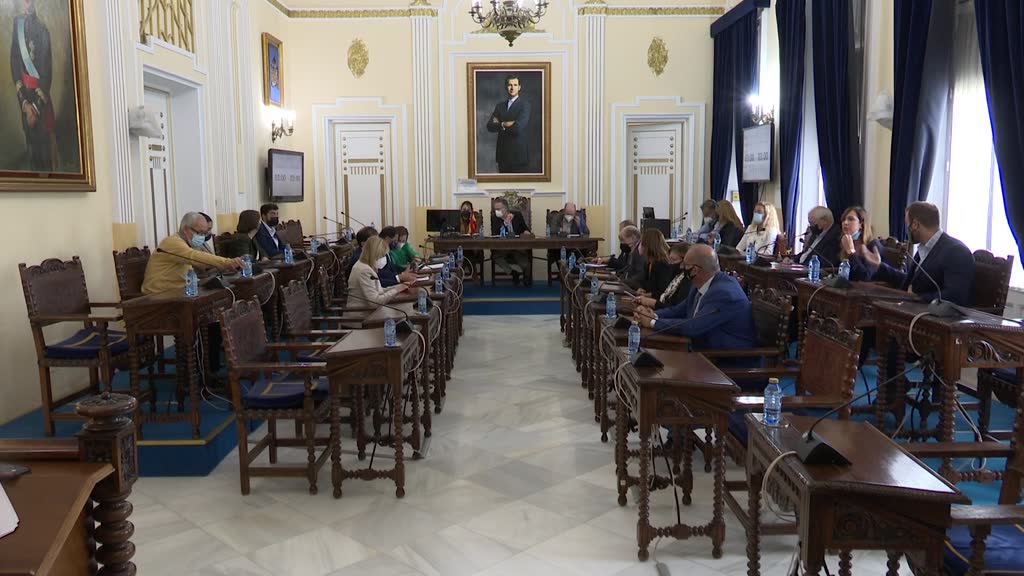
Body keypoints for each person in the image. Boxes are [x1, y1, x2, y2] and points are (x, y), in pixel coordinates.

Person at [633, 244, 758, 370]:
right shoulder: (700, 284)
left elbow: (694, 326)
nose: (681, 268)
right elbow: (678, 310)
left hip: (729, 362)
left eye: (685, 265)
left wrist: (653, 322)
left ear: (695, 270)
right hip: (703, 352)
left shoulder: (724, 293)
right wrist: (652, 314)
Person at [862, 201, 975, 305]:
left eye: (907, 225)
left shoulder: (956, 251)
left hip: (934, 316)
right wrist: (879, 266)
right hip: (913, 311)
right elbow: (912, 283)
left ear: (915, 224)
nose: (907, 230)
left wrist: (918, 298)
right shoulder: (923, 247)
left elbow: (955, 296)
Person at [142, 212, 243, 295]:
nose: (202, 237)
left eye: (204, 233)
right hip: (157, 295)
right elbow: (195, 257)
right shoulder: (172, 242)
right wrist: (227, 262)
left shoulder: (187, 243)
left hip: (178, 290)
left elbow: (200, 264)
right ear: (186, 229)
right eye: (199, 233)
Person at [11, 0, 56, 172]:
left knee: (44, 152)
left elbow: (47, 73)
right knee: (31, 150)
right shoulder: (17, 24)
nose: (26, 2)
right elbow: (15, 62)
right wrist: (24, 102)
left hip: (39, 100)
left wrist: (35, 108)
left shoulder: (43, 30)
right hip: (25, 99)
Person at [486, 74, 532, 173]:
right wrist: (504, 124)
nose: (512, 88)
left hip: (518, 155)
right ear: (506, 87)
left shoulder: (525, 105)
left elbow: (517, 128)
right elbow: (489, 126)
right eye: (510, 85)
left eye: (515, 85)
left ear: (519, 87)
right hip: (503, 155)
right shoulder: (500, 106)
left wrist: (499, 124)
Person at [348, 237, 410, 305]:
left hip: (369, 308)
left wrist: (399, 287)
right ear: (374, 254)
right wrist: (396, 290)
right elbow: (375, 302)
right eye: (380, 257)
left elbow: (378, 290)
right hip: (363, 310)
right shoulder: (365, 270)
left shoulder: (364, 265)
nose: (381, 259)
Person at [632, 243, 690, 310]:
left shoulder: (687, 282)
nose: (670, 263)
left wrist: (652, 303)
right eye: (669, 260)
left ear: (685, 261)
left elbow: (676, 309)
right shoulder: (675, 275)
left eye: (673, 260)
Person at [490, 197, 534, 285]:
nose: (497, 211)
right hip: (503, 248)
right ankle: (512, 273)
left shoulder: (517, 216)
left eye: (499, 209)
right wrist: (505, 223)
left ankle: (526, 276)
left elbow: (525, 228)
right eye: (495, 209)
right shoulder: (495, 218)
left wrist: (526, 232)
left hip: (517, 247)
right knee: (495, 257)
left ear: (506, 208)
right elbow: (495, 233)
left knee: (525, 263)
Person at [837, 206, 884, 282]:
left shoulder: (872, 245)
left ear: (861, 224)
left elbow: (865, 277)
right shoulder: (844, 241)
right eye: (843, 220)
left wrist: (851, 252)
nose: (845, 223)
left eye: (851, 219)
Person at [636, 228, 675, 300]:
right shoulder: (648, 263)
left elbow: (663, 291)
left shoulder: (662, 265)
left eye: (642, 243)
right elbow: (646, 284)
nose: (641, 246)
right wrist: (642, 289)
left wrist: (647, 295)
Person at [618, 225, 647, 289]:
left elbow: (640, 274)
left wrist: (624, 282)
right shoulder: (633, 250)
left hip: (637, 288)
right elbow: (628, 269)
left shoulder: (640, 251)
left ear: (633, 238)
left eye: (623, 240)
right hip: (630, 284)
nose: (622, 243)